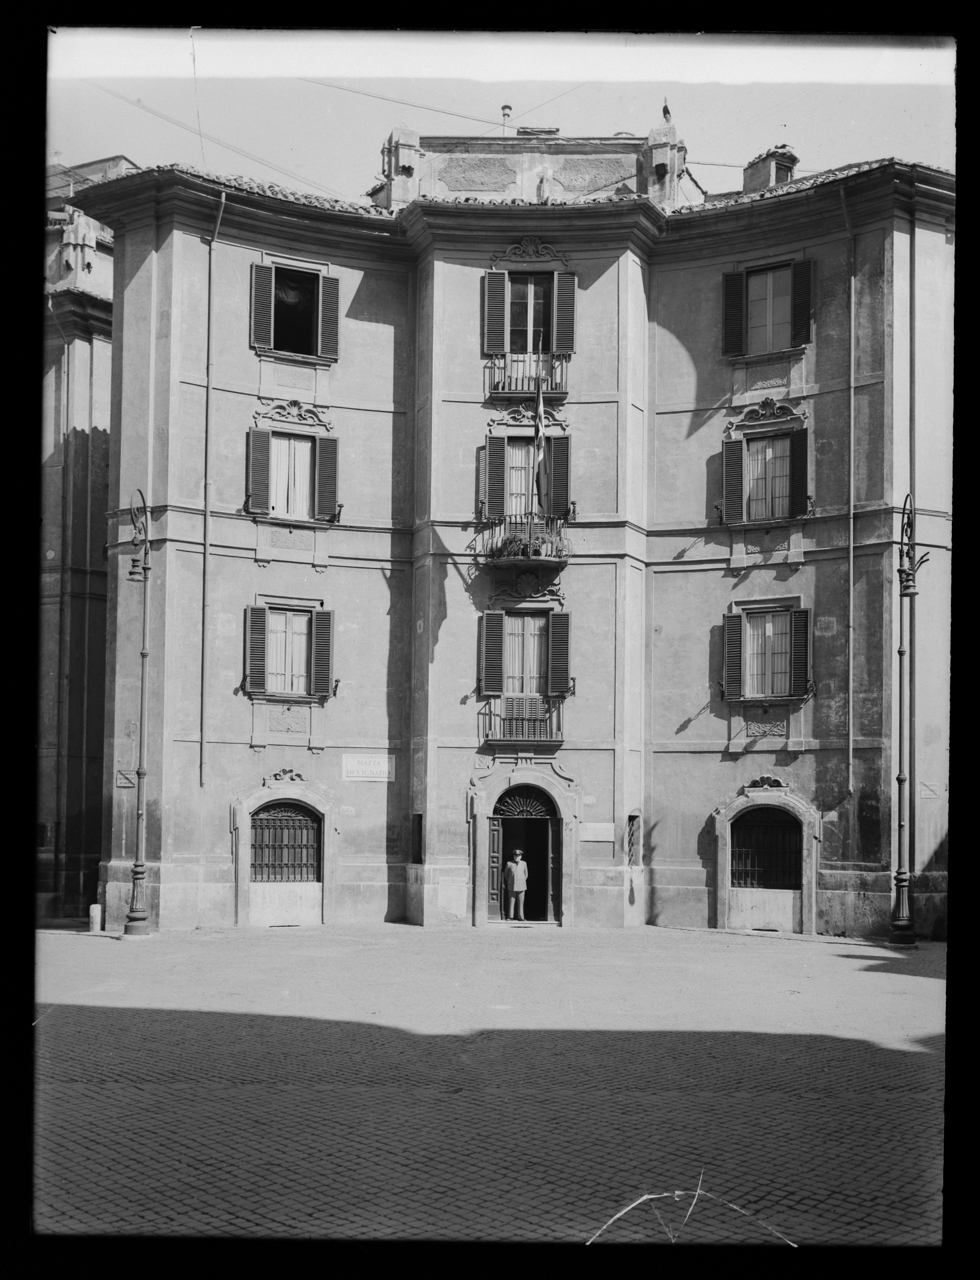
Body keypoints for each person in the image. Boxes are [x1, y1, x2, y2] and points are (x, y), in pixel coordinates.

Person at [504, 849, 529, 921]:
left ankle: (521, 917)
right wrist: (510, 881)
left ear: (521, 856)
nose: (516, 857)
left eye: (518, 856)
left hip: (521, 885)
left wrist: (522, 881)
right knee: (511, 901)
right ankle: (510, 916)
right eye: (515, 855)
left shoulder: (524, 863)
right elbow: (506, 875)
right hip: (512, 885)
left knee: (521, 902)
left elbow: (526, 874)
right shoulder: (509, 863)